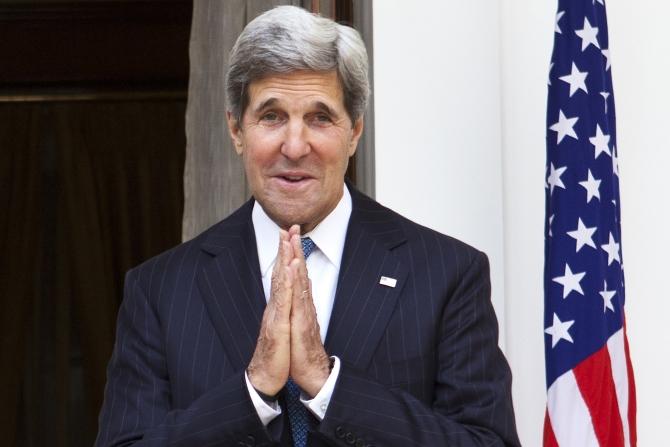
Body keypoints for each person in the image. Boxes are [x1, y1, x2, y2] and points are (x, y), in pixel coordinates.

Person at [95, 5, 520, 447]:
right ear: (236, 130)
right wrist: (254, 390)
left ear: (354, 131)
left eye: (320, 117)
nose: (295, 146)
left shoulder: (446, 274)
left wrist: (327, 383)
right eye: (272, 116)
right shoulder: (161, 290)